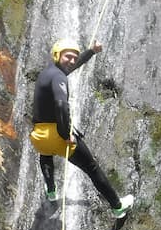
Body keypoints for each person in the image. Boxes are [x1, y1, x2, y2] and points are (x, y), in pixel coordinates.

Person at [29, 38, 134, 218]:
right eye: (68, 56)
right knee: (92, 168)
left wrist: (91, 51)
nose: (71, 60)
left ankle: (51, 191)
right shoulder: (59, 76)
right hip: (58, 135)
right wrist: (65, 133)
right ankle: (117, 207)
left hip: (39, 136)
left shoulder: (48, 73)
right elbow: (61, 106)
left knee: (45, 155)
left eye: (74, 57)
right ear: (57, 55)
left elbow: (72, 66)